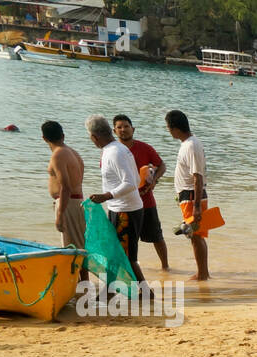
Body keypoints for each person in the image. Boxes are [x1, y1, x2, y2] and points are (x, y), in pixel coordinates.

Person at [84, 113, 146, 289]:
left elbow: (131, 182)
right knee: (118, 255)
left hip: (125, 210)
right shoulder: (115, 149)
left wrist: (106, 196)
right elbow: (135, 177)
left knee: (123, 257)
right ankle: (115, 292)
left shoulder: (114, 152)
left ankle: (141, 292)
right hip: (122, 208)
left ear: (94, 137)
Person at [113, 114, 170, 271]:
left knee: (156, 237)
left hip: (146, 201)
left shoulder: (145, 148)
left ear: (133, 129)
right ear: (114, 131)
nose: (123, 129)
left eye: (126, 126)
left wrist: (154, 181)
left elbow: (161, 165)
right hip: (125, 204)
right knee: (126, 240)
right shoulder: (113, 151)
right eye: (119, 127)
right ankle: (128, 270)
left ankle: (165, 268)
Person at [41, 120, 89, 283]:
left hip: (68, 203)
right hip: (76, 201)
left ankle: (80, 287)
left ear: (43, 138)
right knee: (78, 247)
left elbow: (66, 187)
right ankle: (82, 285)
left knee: (72, 250)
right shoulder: (72, 151)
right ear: (63, 135)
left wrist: (60, 214)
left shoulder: (58, 154)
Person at [166, 109, 210, 281]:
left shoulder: (191, 145)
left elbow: (197, 176)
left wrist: (197, 206)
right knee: (194, 235)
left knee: (196, 235)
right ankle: (203, 273)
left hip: (192, 196)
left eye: (169, 128)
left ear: (175, 128)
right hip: (188, 196)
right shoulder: (188, 143)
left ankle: (202, 274)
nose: (169, 131)